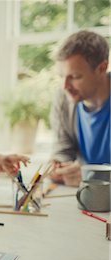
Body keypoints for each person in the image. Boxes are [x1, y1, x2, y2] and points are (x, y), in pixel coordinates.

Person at [50, 30, 110, 187]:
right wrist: (60, 166)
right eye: (61, 76)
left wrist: (89, 176)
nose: (65, 86)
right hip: (87, 195)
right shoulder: (63, 99)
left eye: (75, 77)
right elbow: (63, 149)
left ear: (102, 68)